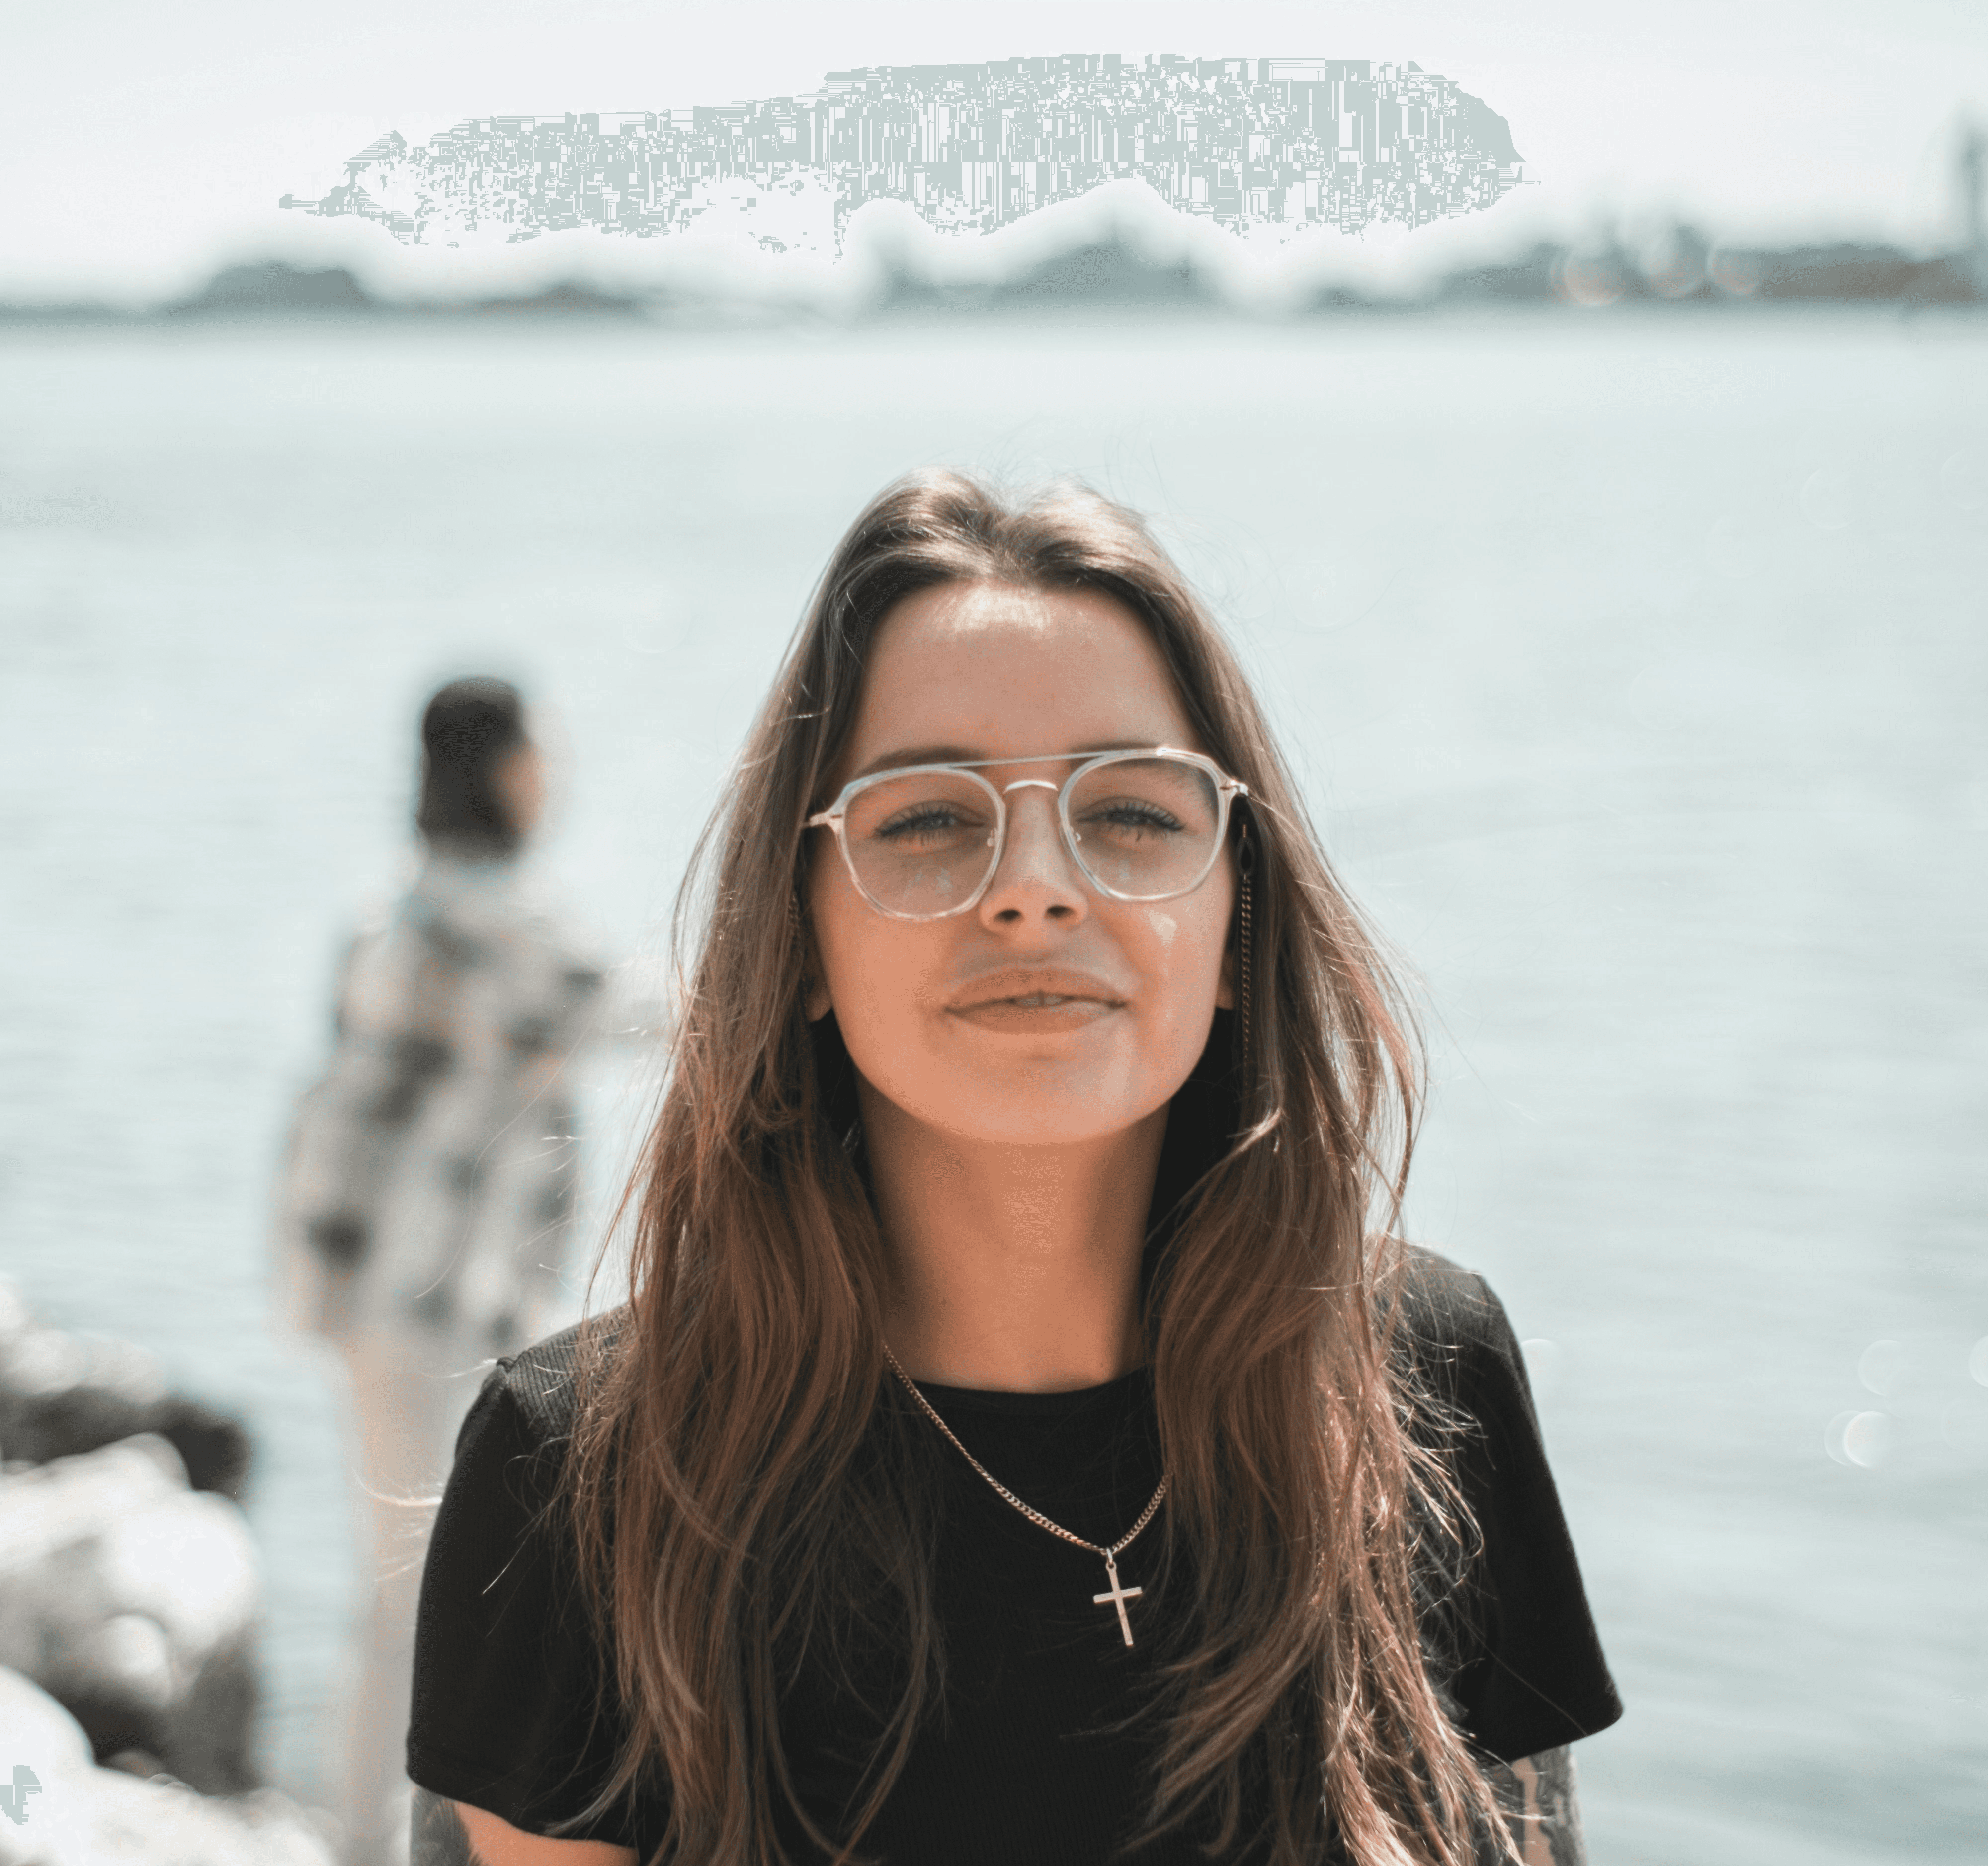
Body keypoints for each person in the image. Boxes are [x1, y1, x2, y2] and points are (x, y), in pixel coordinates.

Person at [405, 477, 1622, 1866]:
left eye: (1133, 815)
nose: (1036, 886)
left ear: (1236, 926)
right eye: (927, 819)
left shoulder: (1430, 1386)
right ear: (799, 941)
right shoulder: (581, 1480)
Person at [275, 676, 610, 1866]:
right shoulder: (504, 924)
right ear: (507, 768)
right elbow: (658, 1008)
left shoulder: (395, 908)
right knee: (418, 1591)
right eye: (546, 748)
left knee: (399, 1581)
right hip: (434, 1298)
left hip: (371, 1286)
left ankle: (355, 1833)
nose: (558, 770)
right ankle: (370, 1847)